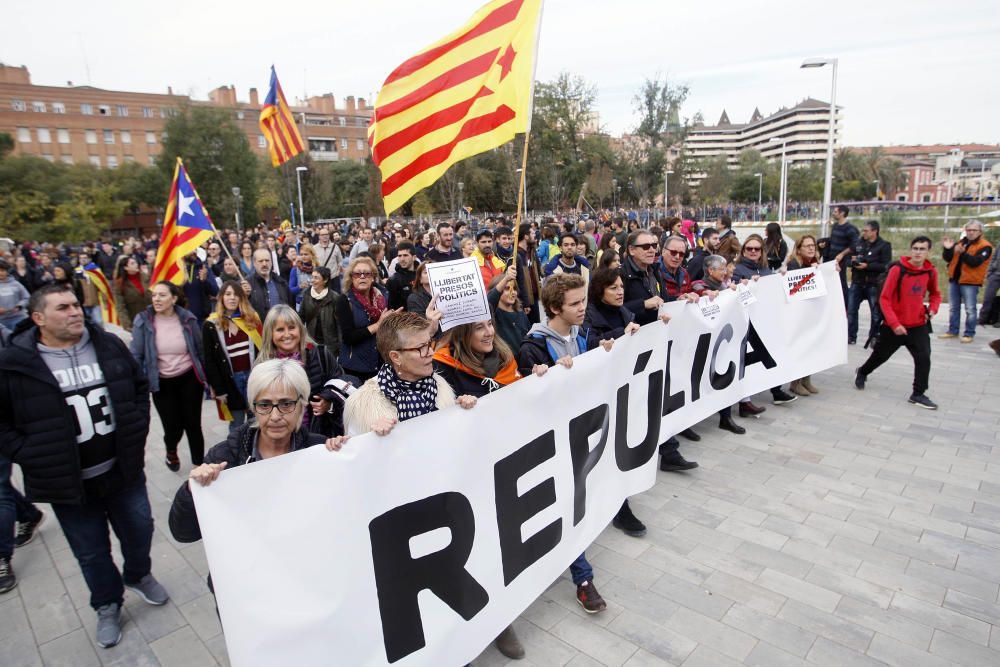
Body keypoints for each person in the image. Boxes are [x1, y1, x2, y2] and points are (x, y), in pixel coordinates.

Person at [0, 283, 167, 648]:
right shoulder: (15, 364)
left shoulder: (107, 344)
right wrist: (28, 453)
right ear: (38, 318)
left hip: (122, 471)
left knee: (140, 530)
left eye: (76, 305)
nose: (75, 311)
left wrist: (136, 427)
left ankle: (138, 575)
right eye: (63, 307)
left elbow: (138, 387)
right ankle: (107, 603)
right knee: (91, 552)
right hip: (69, 485)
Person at [168, 360, 342, 599]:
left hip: (305, 584)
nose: (275, 416)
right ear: (253, 407)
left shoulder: (319, 451)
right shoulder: (226, 458)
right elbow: (183, 533)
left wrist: (346, 456)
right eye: (265, 405)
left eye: (286, 404)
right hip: (246, 594)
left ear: (302, 405)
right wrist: (192, 489)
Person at [514, 273, 609, 615]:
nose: (583, 308)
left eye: (583, 301)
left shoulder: (583, 334)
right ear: (555, 308)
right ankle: (583, 578)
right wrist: (540, 376)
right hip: (550, 443)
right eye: (575, 304)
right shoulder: (533, 346)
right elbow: (526, 398)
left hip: (579, 434)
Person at [856, 236, 941, 409]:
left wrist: (933, 309)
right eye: (915, 248)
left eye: (922, 249)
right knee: (880, 356)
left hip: (918, 325)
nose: (918, 252)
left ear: (928, 252)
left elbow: (936, 294)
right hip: (894, 326)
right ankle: (863, 371)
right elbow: (884, 299)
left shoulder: (930, 272)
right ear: (911, 250)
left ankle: (918, 393)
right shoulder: (898, 270)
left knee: (924, 358)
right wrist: (894, 324)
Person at [131, 281, 206, 471]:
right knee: (173, 426)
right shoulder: (143, 321)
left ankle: (199, 464)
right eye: (154, 295)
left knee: (193, 424)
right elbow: (136, 356)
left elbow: (200, 350)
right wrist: (137, 384)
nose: (156, 299)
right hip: (161, 382)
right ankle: (171, 449)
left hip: (189, 378)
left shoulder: (188, 319)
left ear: (174, 299)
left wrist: (208, 379)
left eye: (162, 295)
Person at [259, 304, 349, 436]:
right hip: (282, 439)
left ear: (300, 329)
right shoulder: (263, 367)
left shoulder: (320, 355)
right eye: (279, 330)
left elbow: (342, 384)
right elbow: (256, 410)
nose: (287, 334)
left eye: (291, 328)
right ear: (270, 334)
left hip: (320, 437)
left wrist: (328, 401)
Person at [732, 235, 799, 407]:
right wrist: (744, 284)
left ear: (762, 251)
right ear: (743, 250)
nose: (753, 251)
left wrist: (780, 278)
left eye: (757, 249)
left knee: (773, 353)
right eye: (749, 248)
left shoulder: (766, 269)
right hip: (748, 322)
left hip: (766, 321)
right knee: (752, 359)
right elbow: (733, 291)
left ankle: (775, 390)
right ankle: (745, 398)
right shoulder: (738, 269)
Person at [203, 280, 262, 433]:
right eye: (228, 294)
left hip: (253, 377)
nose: (232, 298)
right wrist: (218, 388)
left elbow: (262, 348)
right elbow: (210, 360)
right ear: (221, 297)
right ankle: (237, 454)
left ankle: (254, 453)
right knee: (236, 425)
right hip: (230, 381)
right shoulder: (211, 324)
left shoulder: (251, 318)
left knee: (256, 421)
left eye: (236, 294)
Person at [337, 257, 395, 383]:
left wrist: (392, 321)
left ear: (373, 277)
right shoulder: (345, 300)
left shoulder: (383, 296)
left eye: (367, 273)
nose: (362, 277)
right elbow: (348, 337)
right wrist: (378, 325)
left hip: (380, 364)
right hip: (355, 368)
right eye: (357, 274)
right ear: (351, 278)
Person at [940, 220, 994, 343]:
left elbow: (975, 262)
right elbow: (948, 258)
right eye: (968, 230)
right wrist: (947, 249)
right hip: (955, 279)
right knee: (953, 307)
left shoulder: (985, 246)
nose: (971, 232)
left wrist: (963, 253)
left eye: (974, 230)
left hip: (971, 281)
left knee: (970, 309)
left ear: (980, 232)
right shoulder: (961, 243)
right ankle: (953, 330)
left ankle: (969, 333)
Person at [846, 221, 892, 346]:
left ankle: (874, 337)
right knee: (851, 310)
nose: (863, 233)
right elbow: (848, 260)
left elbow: (886, 266)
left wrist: (868, 265)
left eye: (866, 231)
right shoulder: (858, 244)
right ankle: (851, 336)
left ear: (874, 231)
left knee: (876, 313)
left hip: (873, 283)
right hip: (857, 282)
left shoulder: (884, 245)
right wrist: (853, 261)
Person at [300, 267, 342, 355]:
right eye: (312, 277)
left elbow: (339, 324)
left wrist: (340, 346)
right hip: (312, 342)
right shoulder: (307, 295)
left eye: (316, 278)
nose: (312, 280)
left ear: (325, 280)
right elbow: (301, 318)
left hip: (330, 344)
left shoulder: (334, 297)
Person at [487, 267, 531, 352]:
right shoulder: (493, 316)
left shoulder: (521, 314)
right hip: (508, 362)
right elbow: (489, 302)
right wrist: (506, 278)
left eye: (514, 288)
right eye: (507, 288)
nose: (513, 292)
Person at [826, 204, 860, 305]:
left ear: (842, 213)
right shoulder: (835, 226)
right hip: (832, 258)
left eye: (836, 212)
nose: (833, 213)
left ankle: (845, 305)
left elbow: (855, 245)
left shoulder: (850, 228)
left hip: (842, 261)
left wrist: (842, 254)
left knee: (841, 283)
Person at [247, 249, 292, 317]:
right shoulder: (247, 284)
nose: (264, 264)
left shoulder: (281, 283)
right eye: (261, 261)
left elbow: (290, 307)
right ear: (254, 263)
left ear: (271, 262)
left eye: (267, 260)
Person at [113, 257, 150, 331]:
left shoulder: (146, 277)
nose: (136, 265)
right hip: (136, 319)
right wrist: (126, 324)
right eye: (132, 263)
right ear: (126, 267)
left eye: (136, 262)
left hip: (152, 316)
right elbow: (120, 306)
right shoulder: (120, 284)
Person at [0, 259, 31, 332]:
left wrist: (19, 306)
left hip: (18, 318)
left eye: (3, 270)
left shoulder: (16, 284)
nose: (0, 273)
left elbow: (27, 298)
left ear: (7, 271)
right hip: (1, 321)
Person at [386, 241, 417, 309]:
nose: (402, 259)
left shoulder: (421, 275)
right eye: (399, 256)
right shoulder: (393, 280)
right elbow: (391, 308)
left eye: (405, 255)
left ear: (414, 257)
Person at [978, 238, 1000, 327]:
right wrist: (990, 272)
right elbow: (994, 257)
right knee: (988, 297)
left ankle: (998, 320)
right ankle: (983, 318)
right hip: (995, 274)